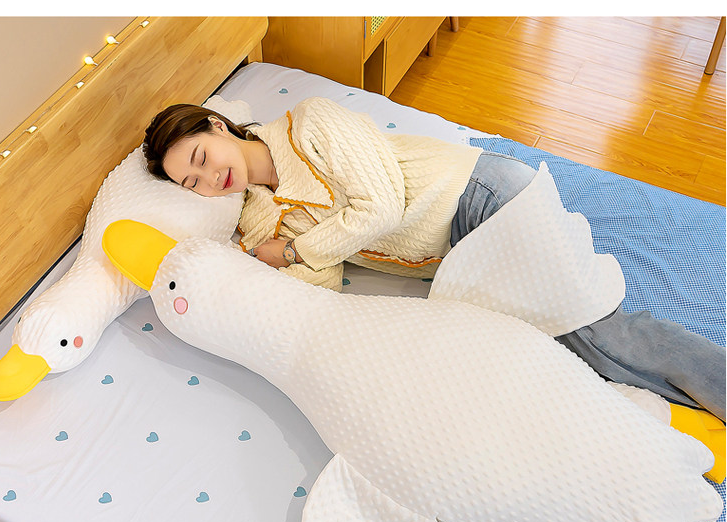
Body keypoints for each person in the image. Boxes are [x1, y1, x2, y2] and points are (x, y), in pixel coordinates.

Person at [142, 98, 725, 423]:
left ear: (217, 125)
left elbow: (382, 205)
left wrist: (294, 250)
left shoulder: (310, 122)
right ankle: (684, 411)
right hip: (457, 258)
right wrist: (254, 271)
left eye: (201, 157)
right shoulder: (259, 219)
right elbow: (320, 288)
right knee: (545, 352)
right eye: (192, 183)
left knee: (592, 332)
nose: (209, 179)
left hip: (479, 198)